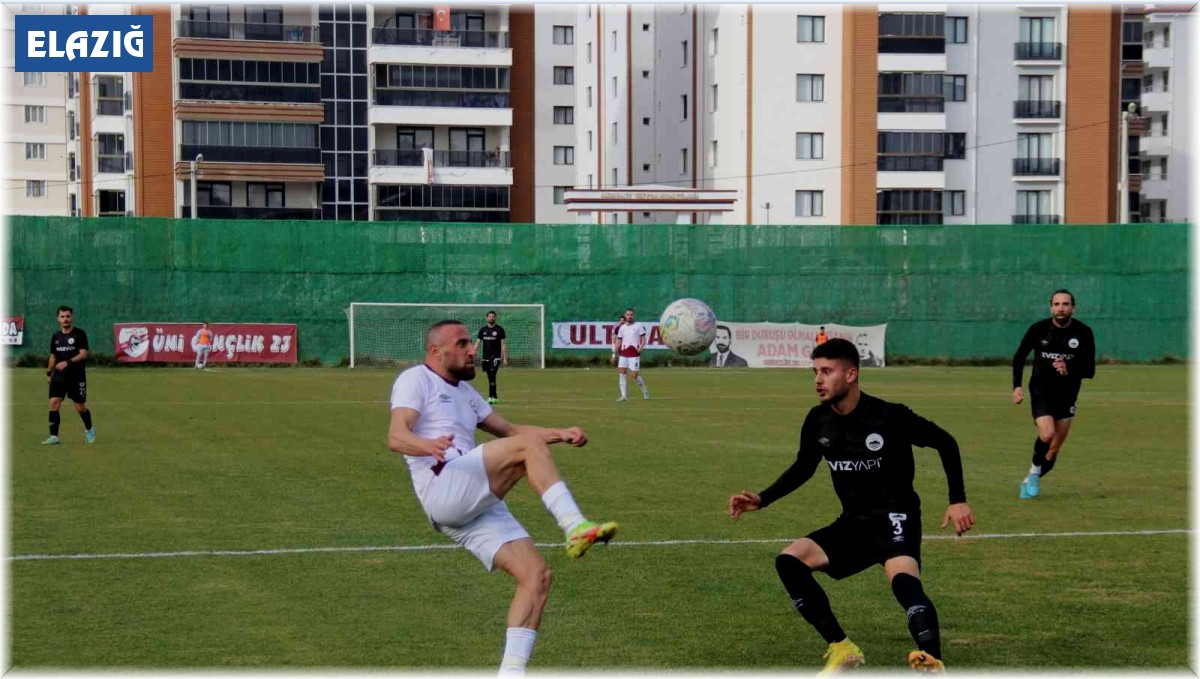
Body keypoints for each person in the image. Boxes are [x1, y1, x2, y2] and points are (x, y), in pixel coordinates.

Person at [728, 338, 974, 674]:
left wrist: (957, 500)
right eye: (815, 371)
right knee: (789, 561)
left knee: (903, 582)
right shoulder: (818, 420)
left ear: (852, 374)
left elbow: (946, 442)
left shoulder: (890, 416)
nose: (818, 379)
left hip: (895, 515)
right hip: (853, 522)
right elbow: (804, 466)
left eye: (827, 371)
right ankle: (842, 648)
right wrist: (763, 498)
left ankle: (931, 659)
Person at [388, 320, 618, 675]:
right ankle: (575, 527)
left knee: (536, 576)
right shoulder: (415, 379)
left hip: (470, 502)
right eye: (463, 343)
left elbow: (512, 431)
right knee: (528, 448)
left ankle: (510, 673)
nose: (472, 349)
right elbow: (396, 435)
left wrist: (560, 433)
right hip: (445, 485)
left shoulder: (467, 394)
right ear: (437, 351)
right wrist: (426, 445)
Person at [1011, 289, 1096, 499]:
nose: (1061, 308)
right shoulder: (1039, 329)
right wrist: (1017, 386)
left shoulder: (1084, 333)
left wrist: (1069, 370)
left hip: (1067, 394)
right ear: (1051, 307)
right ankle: (1033, 473)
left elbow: (1090, 370)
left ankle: (1032, 476)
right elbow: (1019, 356)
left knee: (1054, 447)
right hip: (1041, 390)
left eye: (1065, 304)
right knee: (1047, 434)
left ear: (1073, 308)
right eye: (1057, 304)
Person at [44, 305, 95, 445]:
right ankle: (54, 436)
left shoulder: (80, 334)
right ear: (57, 319)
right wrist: (49, 373)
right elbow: (53, 356)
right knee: (54, 403)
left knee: (80, 407)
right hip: (58, 376)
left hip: (76, 376)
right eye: (62, 316)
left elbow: (84, 354)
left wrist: (68, 362)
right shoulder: (55, 336)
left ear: (71, 318)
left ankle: (89, 430)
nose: (65, 319)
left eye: (67, 316)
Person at [611, 307, 649, 401]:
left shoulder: (638, 326)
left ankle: (644, 390)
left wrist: (641, 347)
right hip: (623, 353)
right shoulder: (622, 328)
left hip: (634, 353)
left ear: (634, 316)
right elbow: (618, 341)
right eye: (628, 315)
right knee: (622, 373)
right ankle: (623, 396)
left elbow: (643, 339)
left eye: (631, 315)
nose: (629, 316)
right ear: (625, 316)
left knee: (634, 375)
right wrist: (614, 354)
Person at [474, 310, 508, 404]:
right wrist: (473, 351)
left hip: (495, 357)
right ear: (487, 318)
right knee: (490, 377)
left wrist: (505, 358)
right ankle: (494, 397)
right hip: (486, 357)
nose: (491, 318)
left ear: (495, 318)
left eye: (493, 316)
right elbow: (478, 342)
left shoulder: (499, 330)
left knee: (492, 374)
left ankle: (490, 397)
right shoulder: (483, 330)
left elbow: (503, 345)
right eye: (490, 316)